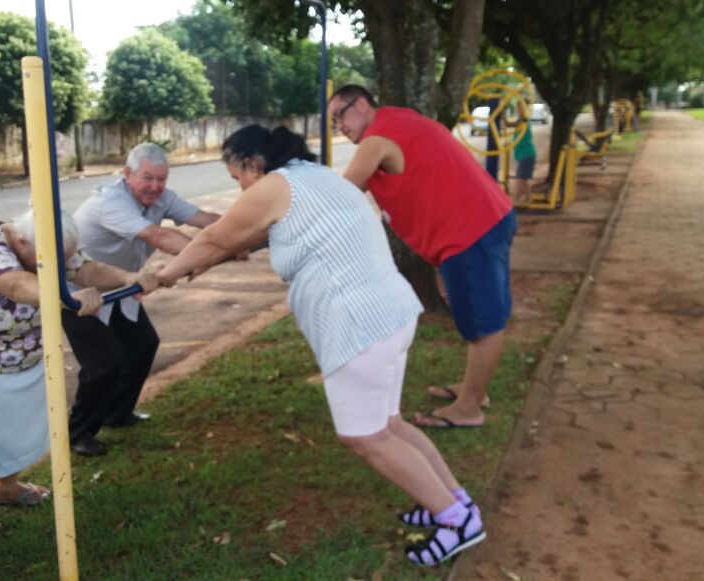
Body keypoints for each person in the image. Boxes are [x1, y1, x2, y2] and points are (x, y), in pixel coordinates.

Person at [156, 125, 487, 566]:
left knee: (365, 436)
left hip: (358, 325)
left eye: (238, 178)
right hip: (390, 313)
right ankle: (455, 501)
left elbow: (217, 237)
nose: (240, 188)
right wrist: (199, 263)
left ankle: (456, 521)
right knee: (390, 426)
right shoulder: (317, 177)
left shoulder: (274, 185)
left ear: (252, 164)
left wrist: (163, 275)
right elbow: (245, 239)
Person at [0, 210, 158, 536]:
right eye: (52, 260)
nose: (58, 265)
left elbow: (86, 269)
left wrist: (128, 277)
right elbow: (15, 283)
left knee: (19, 428)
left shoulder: (47, 240)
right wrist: (66, 296)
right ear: (22, 241)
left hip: (25, 355)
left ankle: (7, 486)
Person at [327, 84, 516, 429]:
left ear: (363, 104)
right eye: (333, 122)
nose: (339, 126)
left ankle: (469, 408)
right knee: (485, 316)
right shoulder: (398, 120)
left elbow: (340, 195)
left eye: (341, 115)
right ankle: (474, 390)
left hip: (468, 232)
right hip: (487, 218)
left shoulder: (377, 138)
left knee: (484, 325)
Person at [66, 143, 225, 456]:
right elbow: (159, 237)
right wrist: (209, 255)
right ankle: (78, 433)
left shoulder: (163, 198)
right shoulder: (110, 202)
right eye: (148, 178)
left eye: (161, 179)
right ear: (127, 174)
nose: (155, 186)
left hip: (121, 288)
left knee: (142, 345)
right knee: (104, 361)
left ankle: (117, 413)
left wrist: (243, 232)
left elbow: (205, 219)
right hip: (78, 292)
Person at [505, 99, 537, 206]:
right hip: (525, 154)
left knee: (520, 178)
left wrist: (502, 115)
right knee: (523, 179)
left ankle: (517, 199)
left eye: (521, 107)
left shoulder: (524, 119)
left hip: (526, 154)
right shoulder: (521, 120)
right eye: (518, 107)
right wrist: (502, 115)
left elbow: (509, 124)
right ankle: (528, 199)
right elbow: (508, 124)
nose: (519, 109)